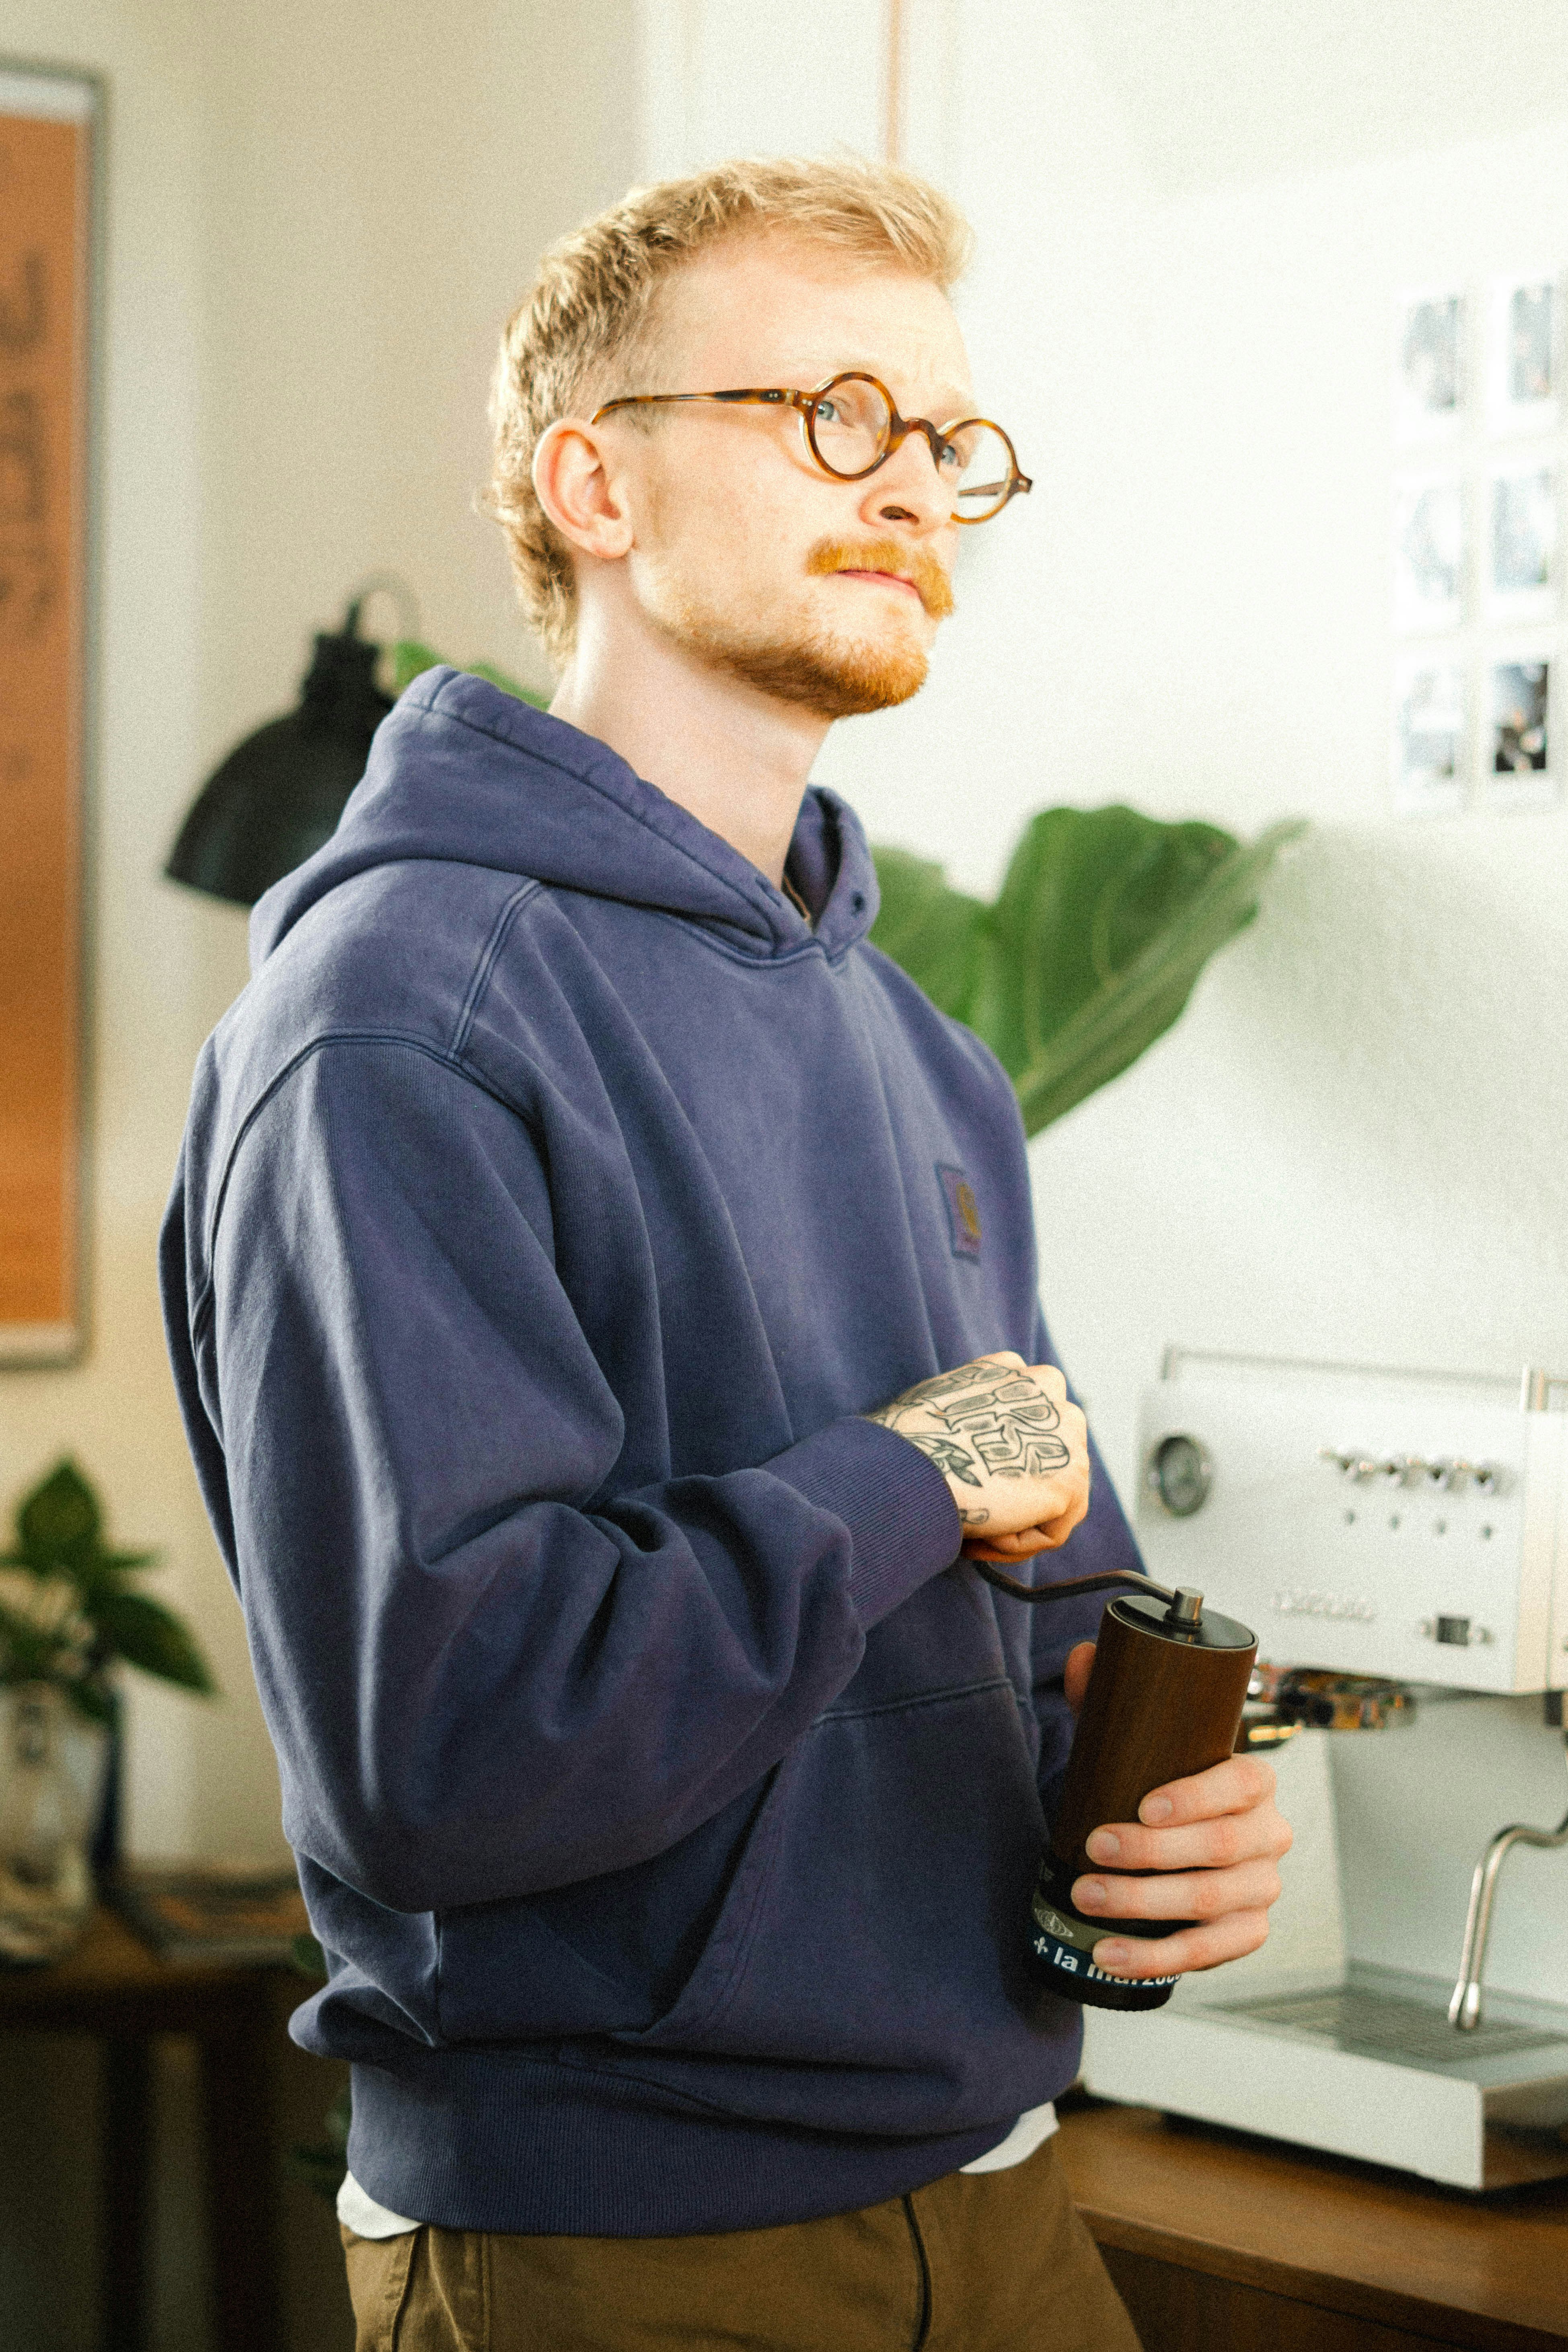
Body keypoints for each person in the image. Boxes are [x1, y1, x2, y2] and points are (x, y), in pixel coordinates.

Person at [160, 155, 1290, 2351]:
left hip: (1007, 2199)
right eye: (830, 415)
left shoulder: (925, 1055)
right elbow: (455, 1747)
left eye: (951, 444)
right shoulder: (394, 1018)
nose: (914, 488)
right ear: (593, 478)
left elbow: (1044, 1590)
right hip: (617, 2253)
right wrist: (903, 1474)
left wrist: (1175, 1827)